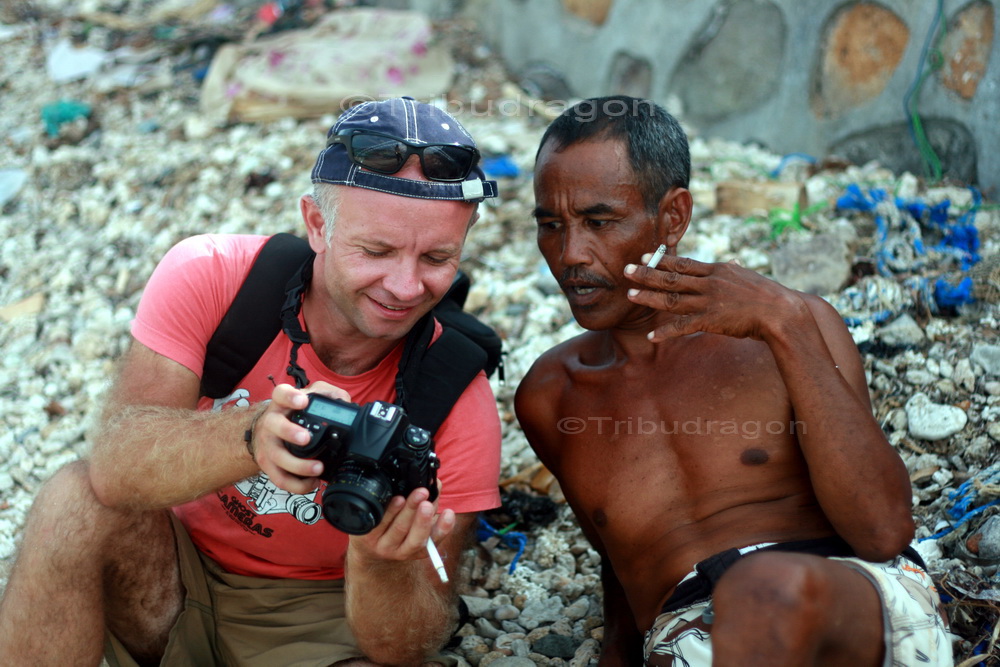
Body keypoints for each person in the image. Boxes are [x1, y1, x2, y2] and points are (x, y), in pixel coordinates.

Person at [0, 97, 503, 666]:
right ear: (316, 223)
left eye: (438, 257)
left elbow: (403, 645)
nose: (405, 287)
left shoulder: (456, 402)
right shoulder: (213, 277)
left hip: (314, 616)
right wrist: (253, 435)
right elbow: (113, 466)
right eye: (377, 250)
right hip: (168, 569)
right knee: (72, 499)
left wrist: (378, 562)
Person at [514, 95, 951, 666]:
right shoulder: (551, 395)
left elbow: (883, 530)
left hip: (851, 605)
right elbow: (619, 560)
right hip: (689, 636)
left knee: (763, 589)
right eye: (551, 225)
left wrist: (787, 326)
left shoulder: (789, 324)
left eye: (599, 222)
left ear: (672, 217)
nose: (570, 254)